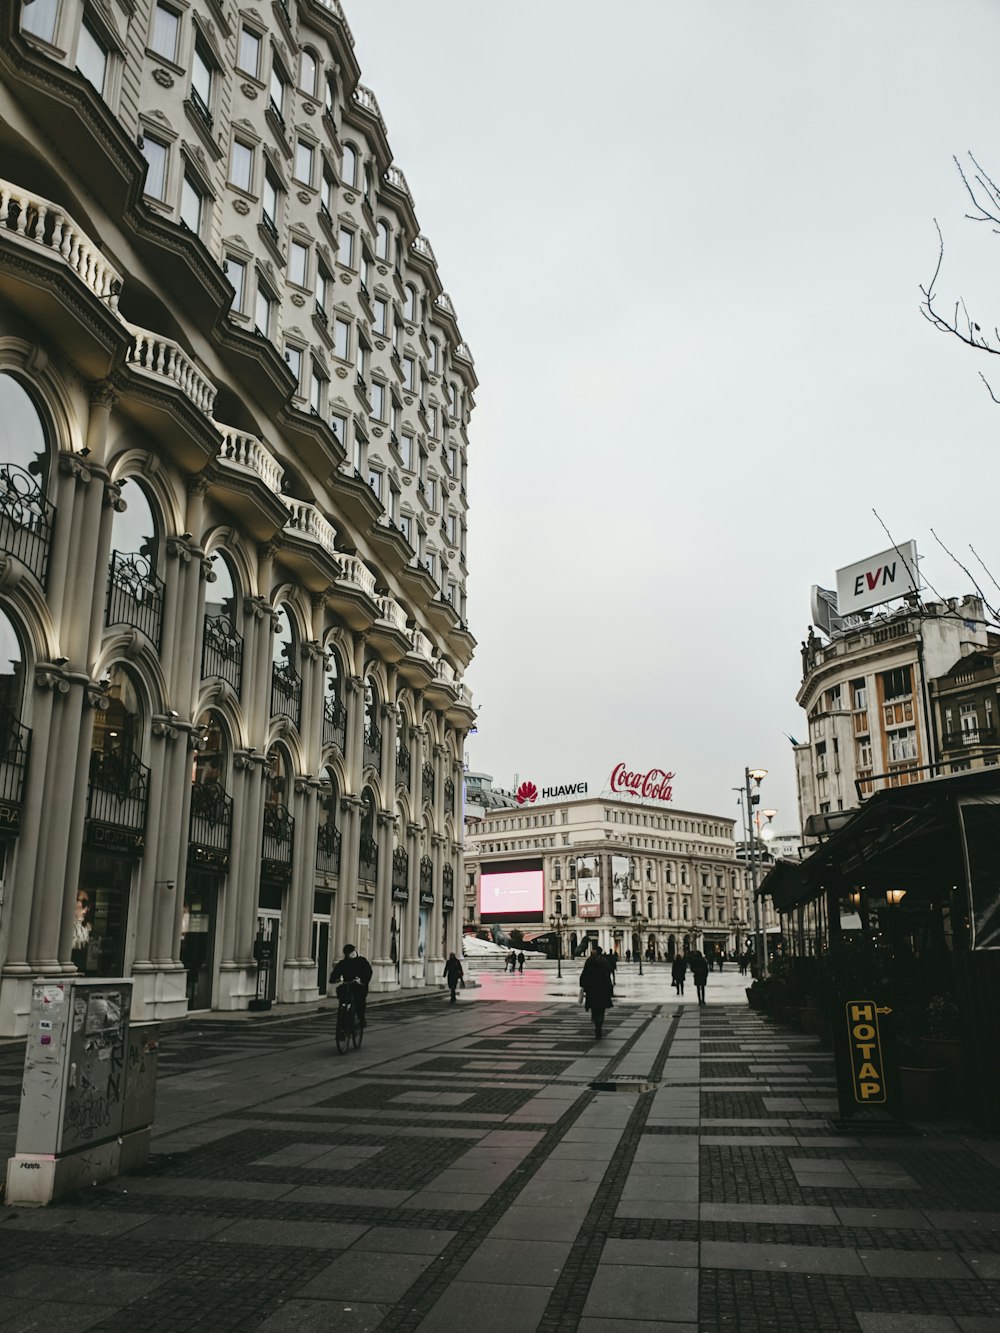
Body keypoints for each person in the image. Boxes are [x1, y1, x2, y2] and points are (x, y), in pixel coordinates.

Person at [330, 943, 373, 1027]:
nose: (350, 954)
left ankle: (361, 1018)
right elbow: (336, 972)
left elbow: (368, 972)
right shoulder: (343, 963)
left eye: (351, 952)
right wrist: (333, 979)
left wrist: (363, 981)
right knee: (341, 995)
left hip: (359, 985)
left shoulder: (361, 961)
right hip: (347, 984)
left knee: (360, 1001)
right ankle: (341, 1024)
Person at [580, 944, 614, 1039]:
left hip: (592, 989)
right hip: (603, 989)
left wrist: (583, 985)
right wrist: (609, 988)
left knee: (594, 1008)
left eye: (593, 950)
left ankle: (596, 1024)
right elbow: (608, 974)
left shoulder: (590, 961)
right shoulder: (604, 961)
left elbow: (584, 974)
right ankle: (599, 1025)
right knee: (601, 1009)